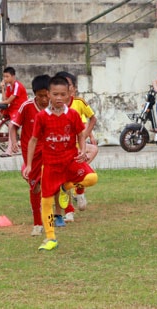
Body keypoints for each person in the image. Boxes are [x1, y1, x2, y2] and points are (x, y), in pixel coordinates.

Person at [23, 76, 98, 251]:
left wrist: (81, 148)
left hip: (70, 161)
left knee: (92, 178)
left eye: (62, 94)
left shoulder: (72, 114)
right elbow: (33, 140)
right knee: (47, 201)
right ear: (48, 94)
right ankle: (50, 238)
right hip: (50, 165)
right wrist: (28, 164)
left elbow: (80, 132)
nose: (58, 98)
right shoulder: (42, 117)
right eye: (55, 94)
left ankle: (65, 187)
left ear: (68, 95)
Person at [9, 74, 50, 236]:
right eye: (40, 96)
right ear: (35, 95)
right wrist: (13, 142)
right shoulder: (26, 107)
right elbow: (13, 126)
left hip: (49, 152)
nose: (44, 99)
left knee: (49, 187)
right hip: (31, 155)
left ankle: (52, 220)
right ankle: (37, 223)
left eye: (46, 95)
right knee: (36, 188)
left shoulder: (55, 107)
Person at [54, 71, 98, 224]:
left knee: (92, 154)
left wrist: (86, 135)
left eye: (68, 86)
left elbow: (92, 119)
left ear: (72, 88)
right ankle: (68, 212)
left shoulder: (78, 103)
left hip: (77, 148)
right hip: (61, 151)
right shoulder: (53, 107)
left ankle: (78, 189)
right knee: (63, 179)